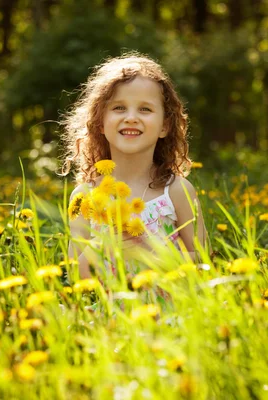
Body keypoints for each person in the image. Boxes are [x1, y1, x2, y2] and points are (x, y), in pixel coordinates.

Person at [60, 52, 207, 281]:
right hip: (108, 316)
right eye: (119, 108)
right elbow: (74, 275)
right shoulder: (85, 197)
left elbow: (202, 260)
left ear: (164, 127)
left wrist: (151, 257)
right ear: (100, 122)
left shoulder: (177, 192)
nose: (131, 117)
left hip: (169, 314)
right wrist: (102, 247)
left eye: (145, 109)